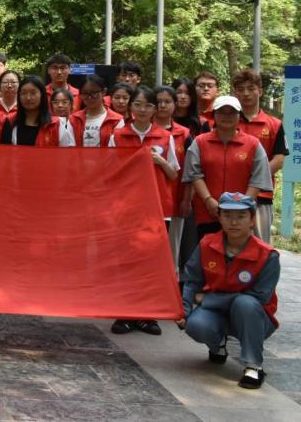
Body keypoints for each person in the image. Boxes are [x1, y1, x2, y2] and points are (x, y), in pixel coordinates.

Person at [178, 192, 279, 390]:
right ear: (220, 218)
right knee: (196, 325)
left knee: (245, 303)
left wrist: (208, 300)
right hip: (217, 314)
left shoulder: (268, 256)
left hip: (254, 319)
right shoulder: (207, 244)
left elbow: (260, 297)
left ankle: (253, 366)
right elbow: (192, 281)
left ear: (252, 220)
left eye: (241, 216)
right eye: (227, 215)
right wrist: (184, 311)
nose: (234, 222)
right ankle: (218, 346)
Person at [108, 86, 179, 337]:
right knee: (125, 262)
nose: (142, 110)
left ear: (154, 109)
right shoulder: (118, 136)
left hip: (157, 209)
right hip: (125, 209)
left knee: (151, 262)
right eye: (137, 105)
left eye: (148, 105)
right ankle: (125, 313)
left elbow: (173, 174)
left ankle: (147, 314)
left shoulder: (165, 137)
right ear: (130, 108)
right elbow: (109, 172)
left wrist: (158, 161)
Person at [181, 96, 272, 240]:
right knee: (209, 250)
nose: (227, 116)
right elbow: (194, 173)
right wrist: (208, 200)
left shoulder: (253, 144)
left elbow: (258, 178)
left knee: (239, 251)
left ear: (239, 116)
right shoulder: (200, 142)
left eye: (232, 113)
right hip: (208, 211)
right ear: (214, 115)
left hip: (241, 215)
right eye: (222, 112)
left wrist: (243, 205)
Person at [232, 69, 288, 243]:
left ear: (260, 91)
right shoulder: (226, 121)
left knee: (259, 245)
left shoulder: (274, 124)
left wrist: (255, 180)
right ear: (235, 93)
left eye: (251, 88)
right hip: (230, 194)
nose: (246, 93)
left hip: (262, 197)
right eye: (241, 89)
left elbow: (279, 159)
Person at [155, 84, 194, 270]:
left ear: (175, 104)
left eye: (167, 102)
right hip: (148, 200)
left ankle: (172, 284)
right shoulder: (143, 130)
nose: (162, 105)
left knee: (172, 250)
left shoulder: (184, 134)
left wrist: (187, 199)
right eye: (158, 102)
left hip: (175, 199)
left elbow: (190, 170)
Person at [0, 75, 69, 147]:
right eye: (24, 93)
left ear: (42, 95)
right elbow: (5, 151)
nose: (28, 98)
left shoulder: (57, 124)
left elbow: (65, 152)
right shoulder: (10, 122)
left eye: (33, 93)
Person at [68, 74, 123, 147]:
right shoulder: (73, 119)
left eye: (94, 93)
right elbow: (71, 148)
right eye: (85, 93)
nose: (90, 97)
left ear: (104, 92)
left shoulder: (117, 120)